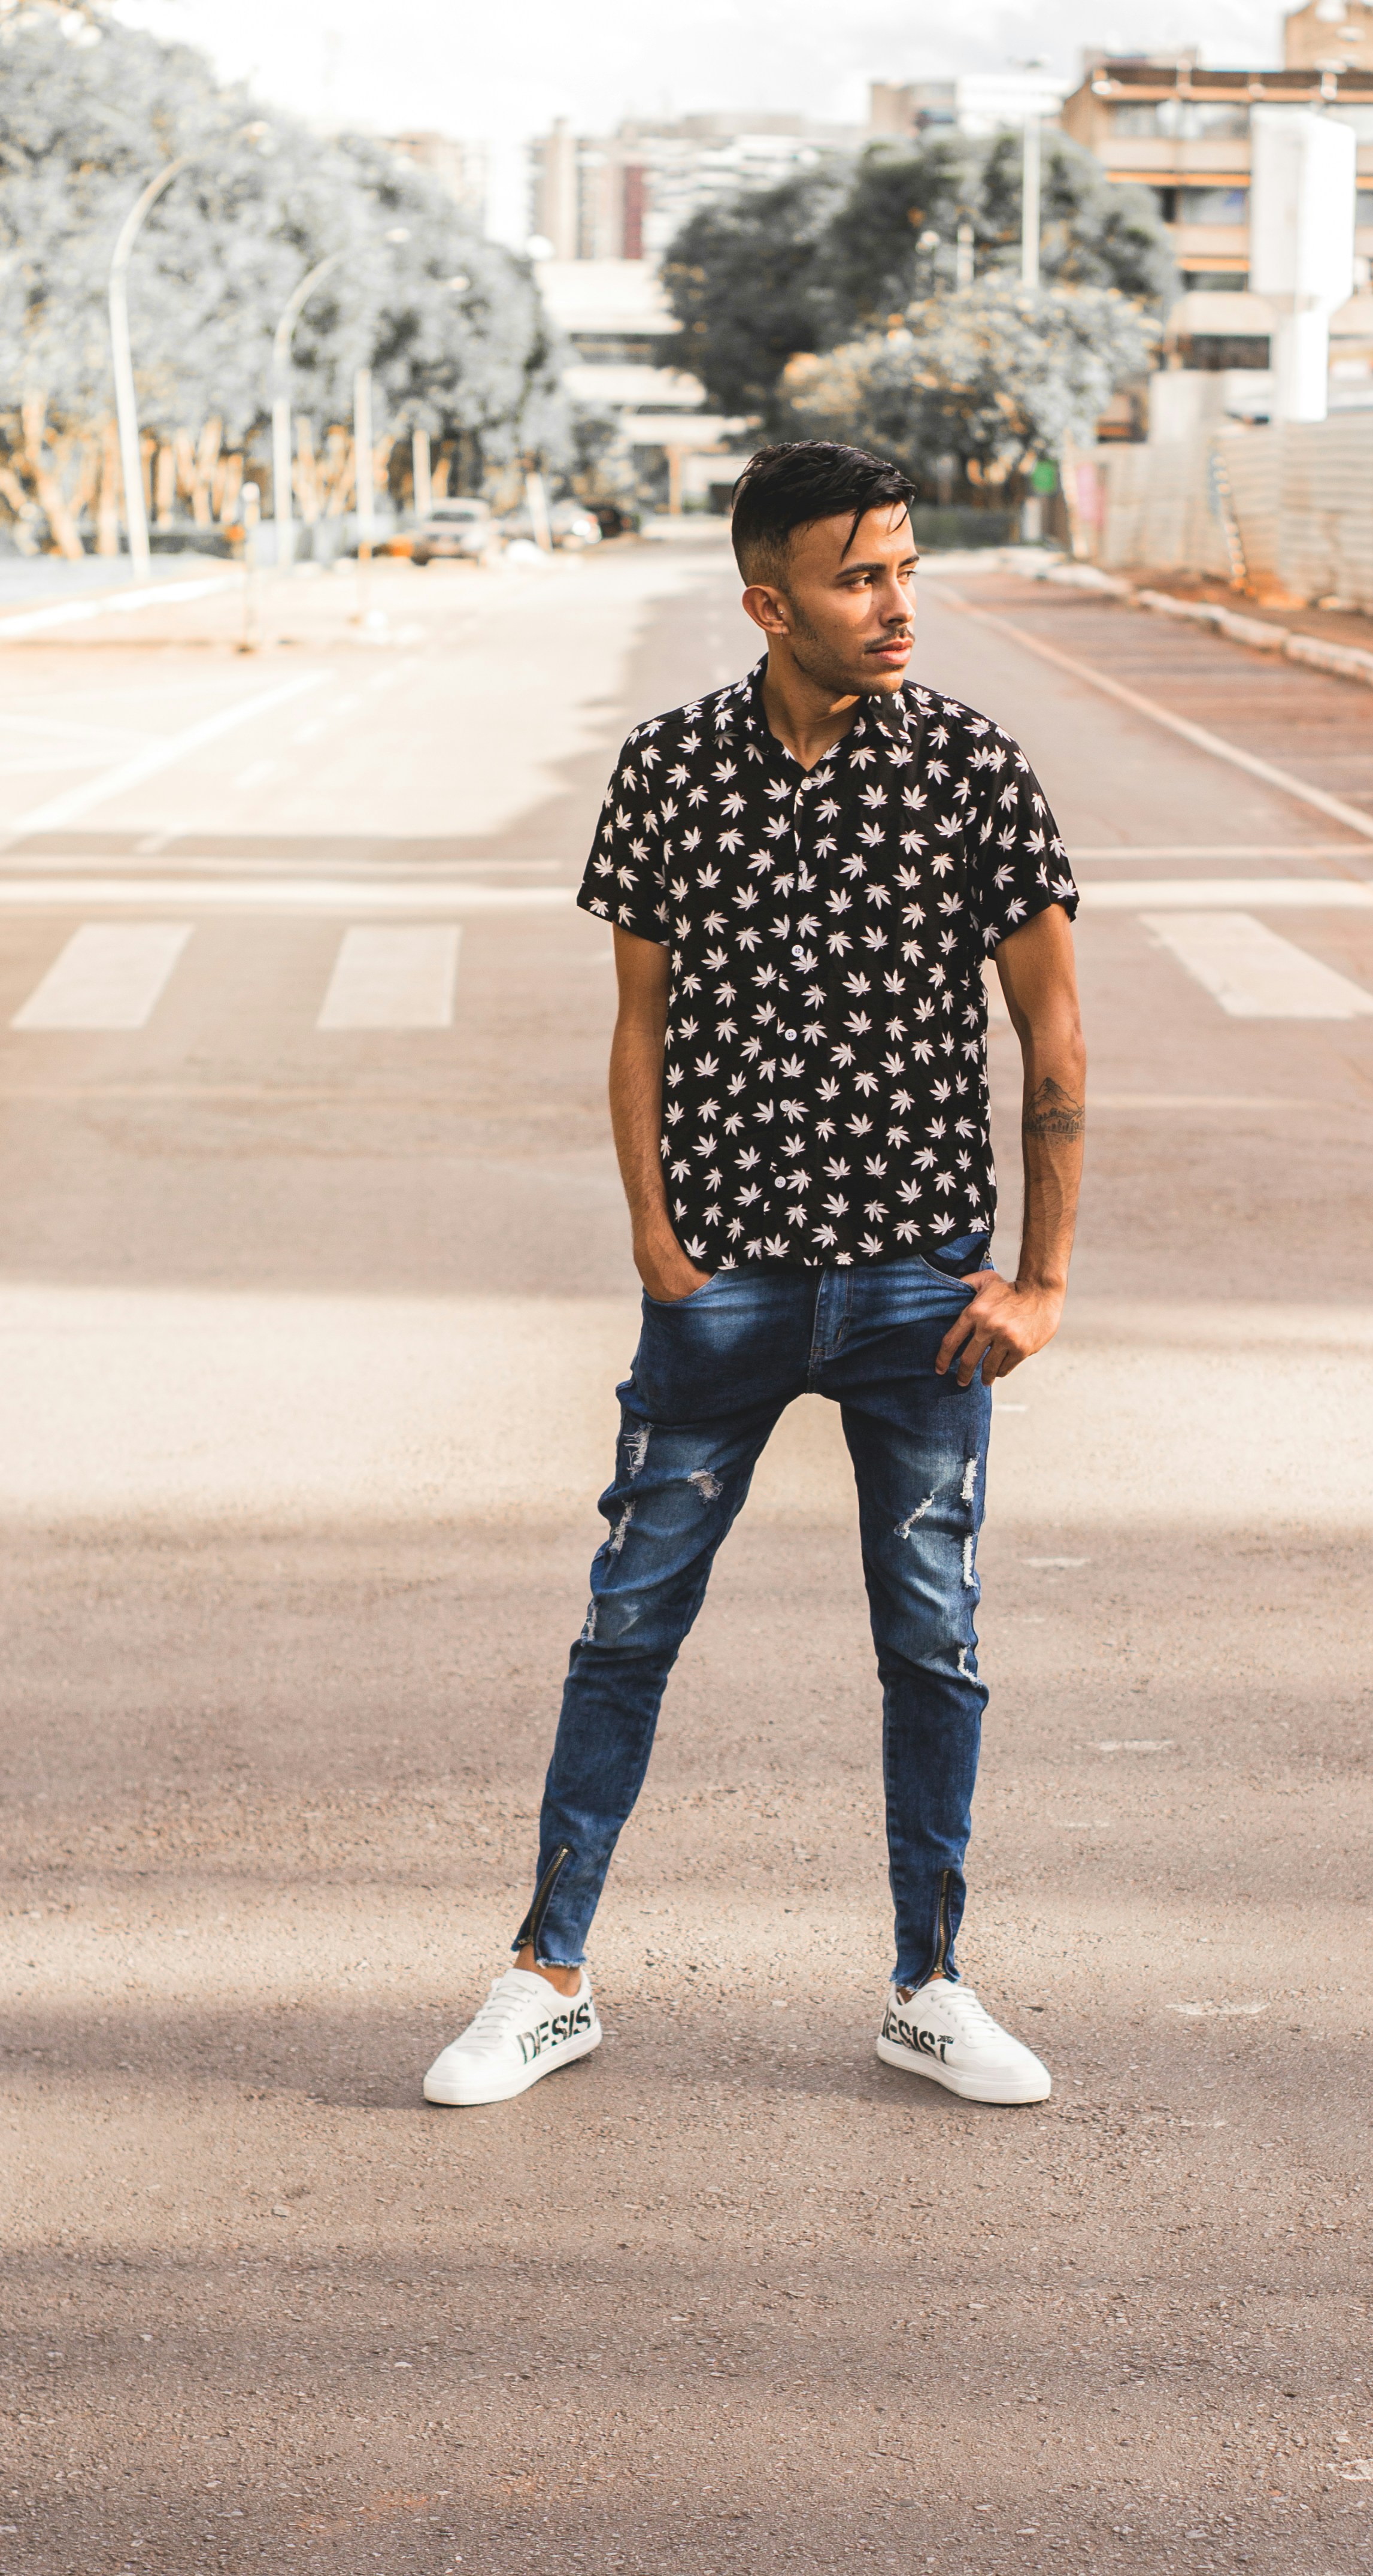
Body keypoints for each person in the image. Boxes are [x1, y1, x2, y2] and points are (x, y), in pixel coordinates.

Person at [423, 441, 1085, 2111]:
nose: (897, 605)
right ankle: (544, 1979)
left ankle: (931, 1985)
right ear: (768, 603)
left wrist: (1042, 1282)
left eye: (907, 570)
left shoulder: (973, 770)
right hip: (719, 1287)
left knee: (932, 1640)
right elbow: (638, 1029)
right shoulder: (667, 770)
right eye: (860, 579)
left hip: (920, 1295)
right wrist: (658, 1245)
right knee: (627, 1625)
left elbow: (1055, 1038)